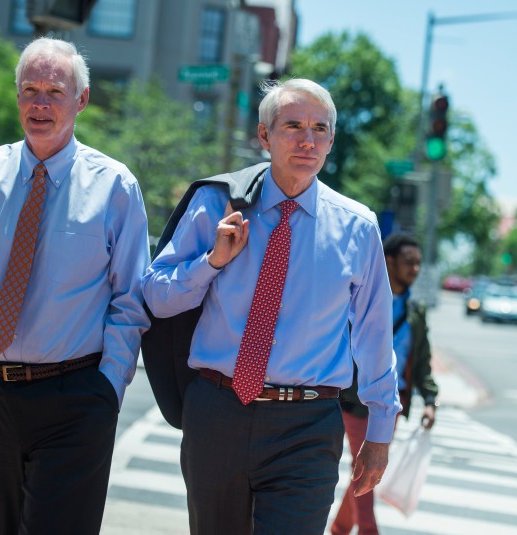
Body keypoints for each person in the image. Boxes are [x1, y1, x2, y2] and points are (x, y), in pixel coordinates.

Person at [0, 37, 150, 535]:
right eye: (29, 90)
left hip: (76, 396)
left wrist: (108, 389)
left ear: (80, 100)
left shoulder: (115, 187)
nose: (39, 103)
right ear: (17, 97)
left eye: (54, 91)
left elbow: (131, 298)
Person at [141, 78, 401, 534]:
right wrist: (211, 262)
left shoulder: (358, 228)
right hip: (217, 412)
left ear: (332, 140)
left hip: (307, 424)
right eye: (293, 125)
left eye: (320, 128)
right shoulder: (216, 203)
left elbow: (375, 333)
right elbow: (156, 297)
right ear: (264, 136)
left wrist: (380, 430)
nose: (307, 139)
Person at [331, 232, 439, 535]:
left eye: (418, 264)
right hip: (355, 401)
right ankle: (368, 531)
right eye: (408, 263)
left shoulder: (415, 312)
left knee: (364, 471)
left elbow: (422, 363)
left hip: (392, 404)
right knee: (365, 469)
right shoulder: (361, 297)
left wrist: (430, 400)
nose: (414, 270)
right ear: (388, 262)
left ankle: (339, 530)